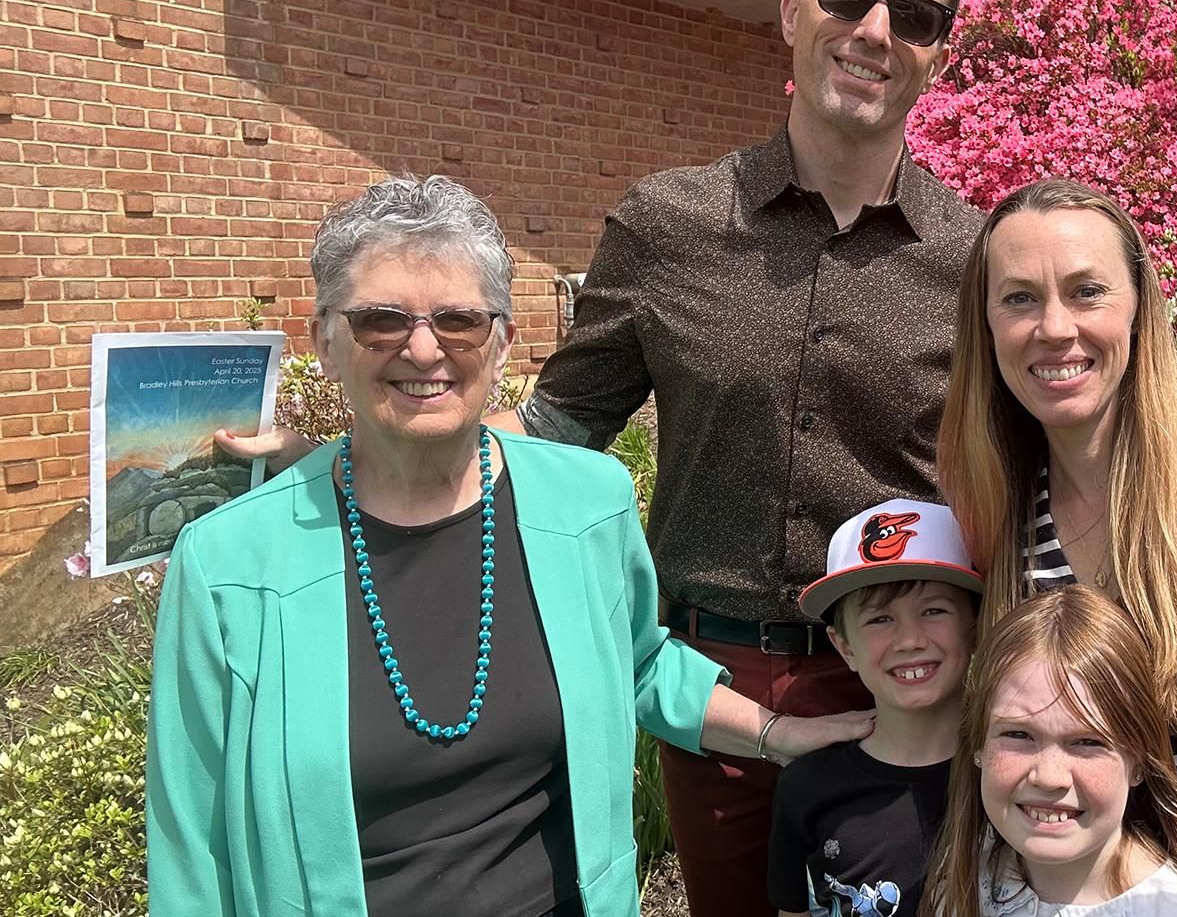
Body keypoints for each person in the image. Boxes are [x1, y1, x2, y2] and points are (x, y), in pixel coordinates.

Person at [217, 0, 984, 917]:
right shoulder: (668, 224)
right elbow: (555, 423)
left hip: (908, 670)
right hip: (717, 684)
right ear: (794, 5)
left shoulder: (972, 258)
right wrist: (339, 462)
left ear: (940, 51)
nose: (876, 28)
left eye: (917, 15)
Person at [147, 177, 867, 917]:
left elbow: (640, 663)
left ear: (502, 345)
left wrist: (779, 735)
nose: (424, 348)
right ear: (324, 340)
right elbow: (189, 844)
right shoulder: (230, 564)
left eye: (459, 320)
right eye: (380, 321)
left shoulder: (587, 503)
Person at [937, 179, 1177, 873]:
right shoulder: (1003, 527)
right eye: (1020, 298)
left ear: (1141, 308)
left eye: (1088, 291)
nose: (1055, 327)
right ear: (988, 325)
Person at [925, 585, 1177, 917]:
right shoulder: (961, 879)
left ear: (1139, 761)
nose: (1049, 776)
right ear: (978, 744)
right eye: (1018, 734)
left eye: (1088, 742)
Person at [768, 498, 984, 917]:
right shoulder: (807, 787)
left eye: (934, 610)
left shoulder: (1008, 771)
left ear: (974, 626)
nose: (910, 640)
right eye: (880, 619)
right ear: (844, 646)